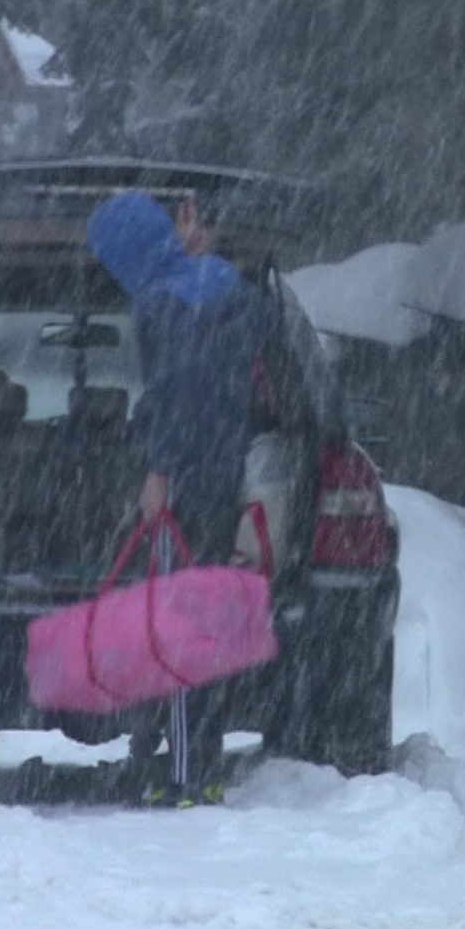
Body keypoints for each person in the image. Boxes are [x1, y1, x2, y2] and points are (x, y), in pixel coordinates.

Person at [86, 191, 277, 803]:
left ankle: (180, 777)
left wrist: (160, 472)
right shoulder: (220, 283)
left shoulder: (159, 303)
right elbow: (258, 334)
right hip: (225, 476)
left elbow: (175, 392)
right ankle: (206, 764)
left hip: (185, 482)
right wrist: (200, 260)